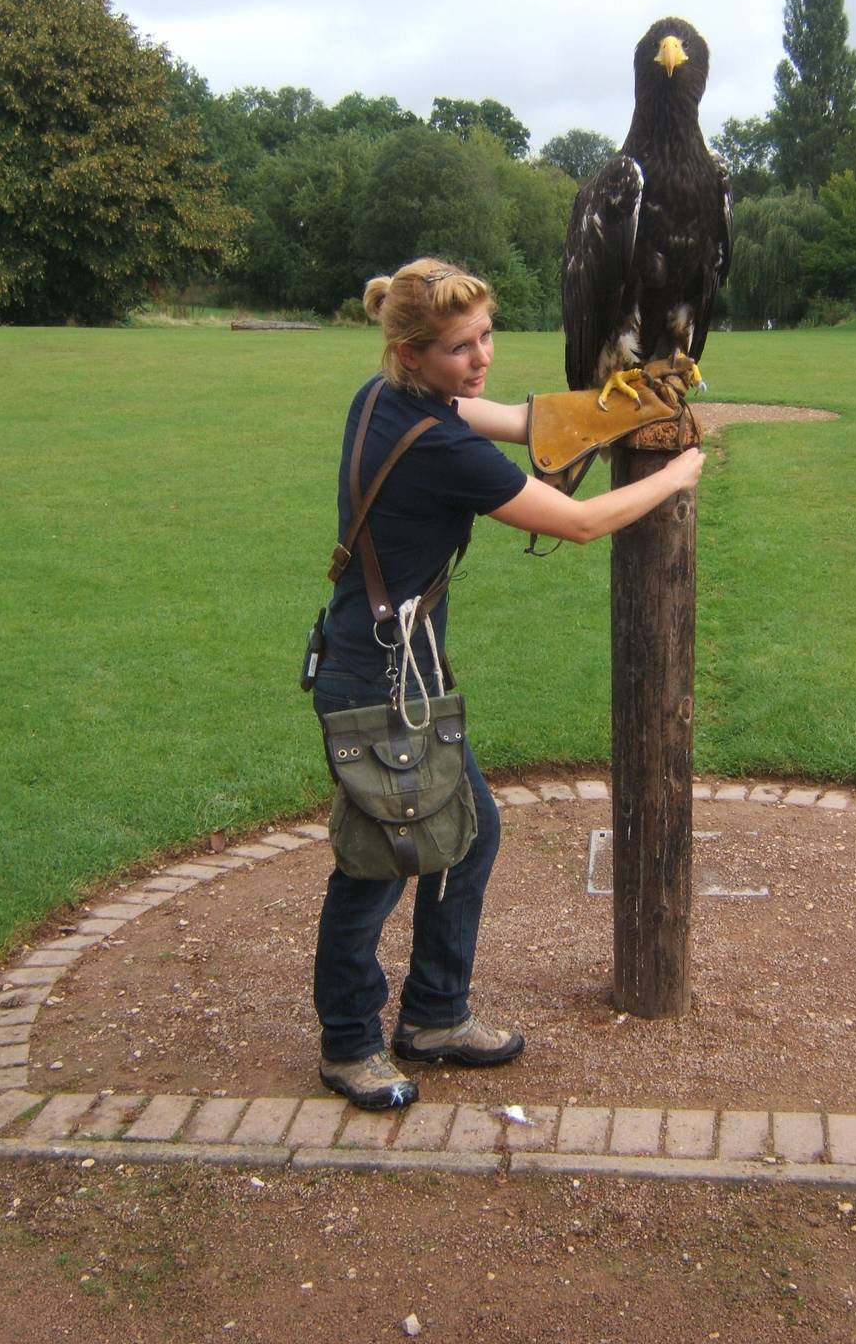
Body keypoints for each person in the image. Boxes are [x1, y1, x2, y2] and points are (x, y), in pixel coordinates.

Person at [313, 257, 706, 1110]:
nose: (481, 356)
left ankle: (434, 1017)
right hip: (377, 677)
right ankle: (350, 1044)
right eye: (460, 347)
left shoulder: (385, 398)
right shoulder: (441, 446)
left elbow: (527, 422)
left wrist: (620, 403)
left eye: (486, 336)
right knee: (377, 866)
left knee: (472, 832)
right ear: (414, 353)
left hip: (388, 663)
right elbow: (576, 522)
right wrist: (676, 475)